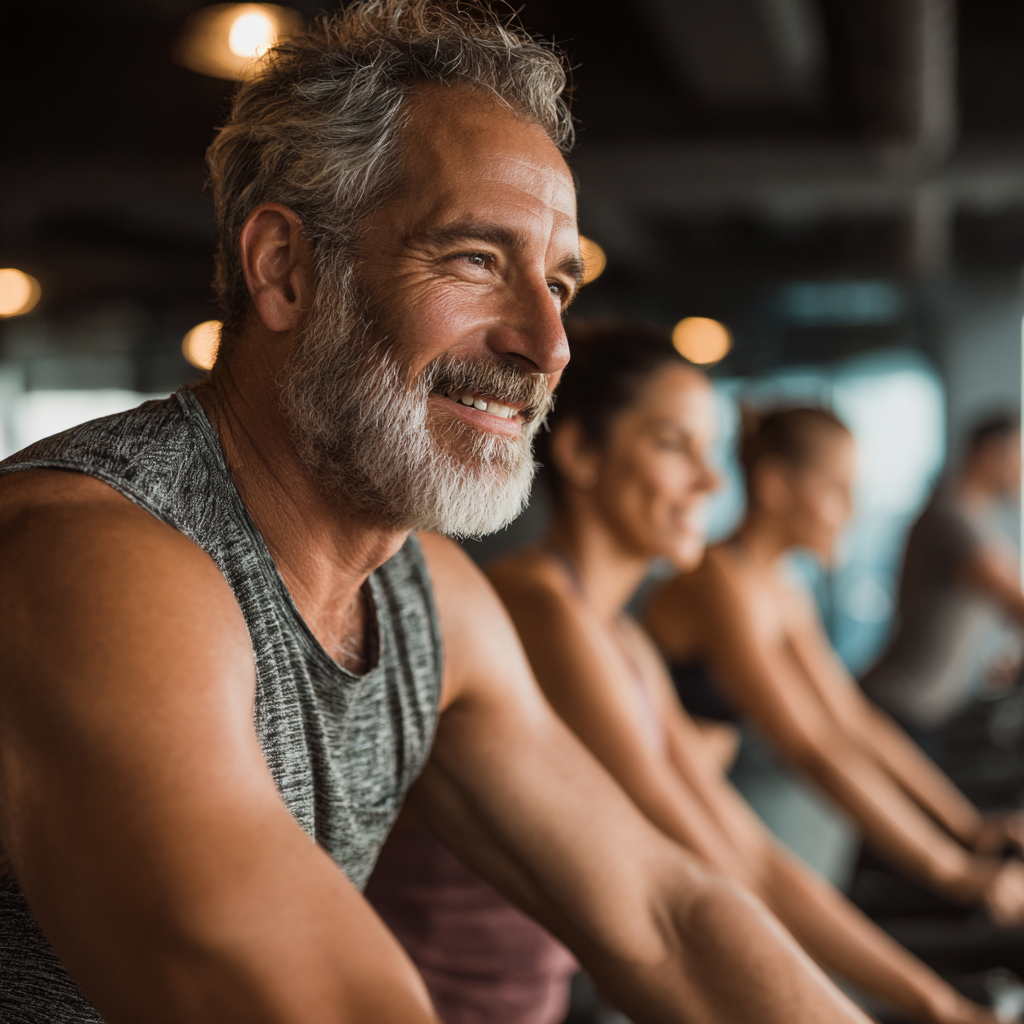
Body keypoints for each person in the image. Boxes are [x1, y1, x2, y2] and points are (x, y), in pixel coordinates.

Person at [0, 4, 872, 1023]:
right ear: (285, 268)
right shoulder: (95, 559)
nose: (548, 345)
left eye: (559, 284)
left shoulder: (425, 598)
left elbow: (661, 914)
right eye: (474, 260)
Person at [367, 321, 998, 1024]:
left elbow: (750, 850)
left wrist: (941, 1000)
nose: (712, 481)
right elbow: (696, 875)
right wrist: (957, 889)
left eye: (711, 452)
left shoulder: (624, 641)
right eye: (674, 445)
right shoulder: (538, 609)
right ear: (580, 453)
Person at [646, 405, 1024, 921]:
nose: (850, 511)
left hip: (716, 810)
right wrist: (953, 870)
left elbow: (852, 717)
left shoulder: (781, 587)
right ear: (776, 486)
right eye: (837, 490)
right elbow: (811, 745)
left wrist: (967, 827)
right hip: (672, 824)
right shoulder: (719, 582)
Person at [863, 414, 1024, 734]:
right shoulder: (952, 519)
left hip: (930, 710)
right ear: (992, 454)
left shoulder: (980, 520)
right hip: (902, 706)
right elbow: (1014, 601)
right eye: (1020, 456)